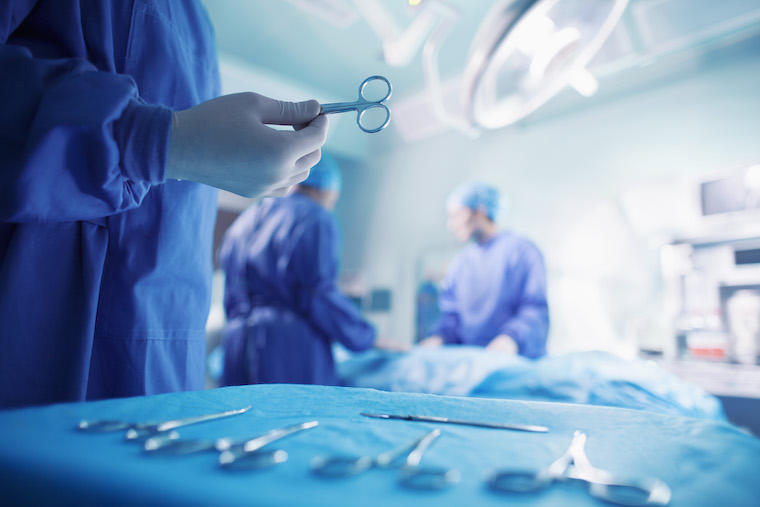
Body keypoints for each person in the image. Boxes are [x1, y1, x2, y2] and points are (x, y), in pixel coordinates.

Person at [0, 1, 328, 408]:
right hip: (40, 340)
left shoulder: (196, 20)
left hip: (170, 353)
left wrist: (175, 145)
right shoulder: (312, 221)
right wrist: (154, 141)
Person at [218, 155, 377, 386]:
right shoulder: (316, 217)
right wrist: (366, 335)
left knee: (238, 419)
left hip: (236, 342)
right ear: (326, 191)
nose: (331, 205)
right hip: (288, 348)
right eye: (334, 199)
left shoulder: (244, 221)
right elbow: (318, 294)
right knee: (295, 420)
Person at [419, 182, 549, 358]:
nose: (451, 225)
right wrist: (438, 338)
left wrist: (511, 339)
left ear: (480, 212)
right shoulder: (460, 264)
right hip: (472, 366)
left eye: (456, 215)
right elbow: (452, 318)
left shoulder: (521, 252)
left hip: (516, 364)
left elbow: (534, 309)